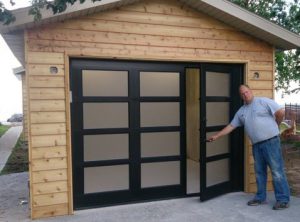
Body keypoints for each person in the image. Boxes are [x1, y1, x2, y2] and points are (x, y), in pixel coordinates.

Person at [207, 84, 290, 210]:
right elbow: (231, 126)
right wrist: (217, 136)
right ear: (241, 96)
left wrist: (276, 124)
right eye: (242, 94)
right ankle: (260, 197)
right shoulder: (241, 111)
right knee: (259, 172)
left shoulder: (263, 102)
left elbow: (280, 112)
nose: (245, 95)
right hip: (256, 145)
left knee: (277, 171)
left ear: (250, 91)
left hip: (271, 142)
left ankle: (283, 199)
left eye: (246, 92)